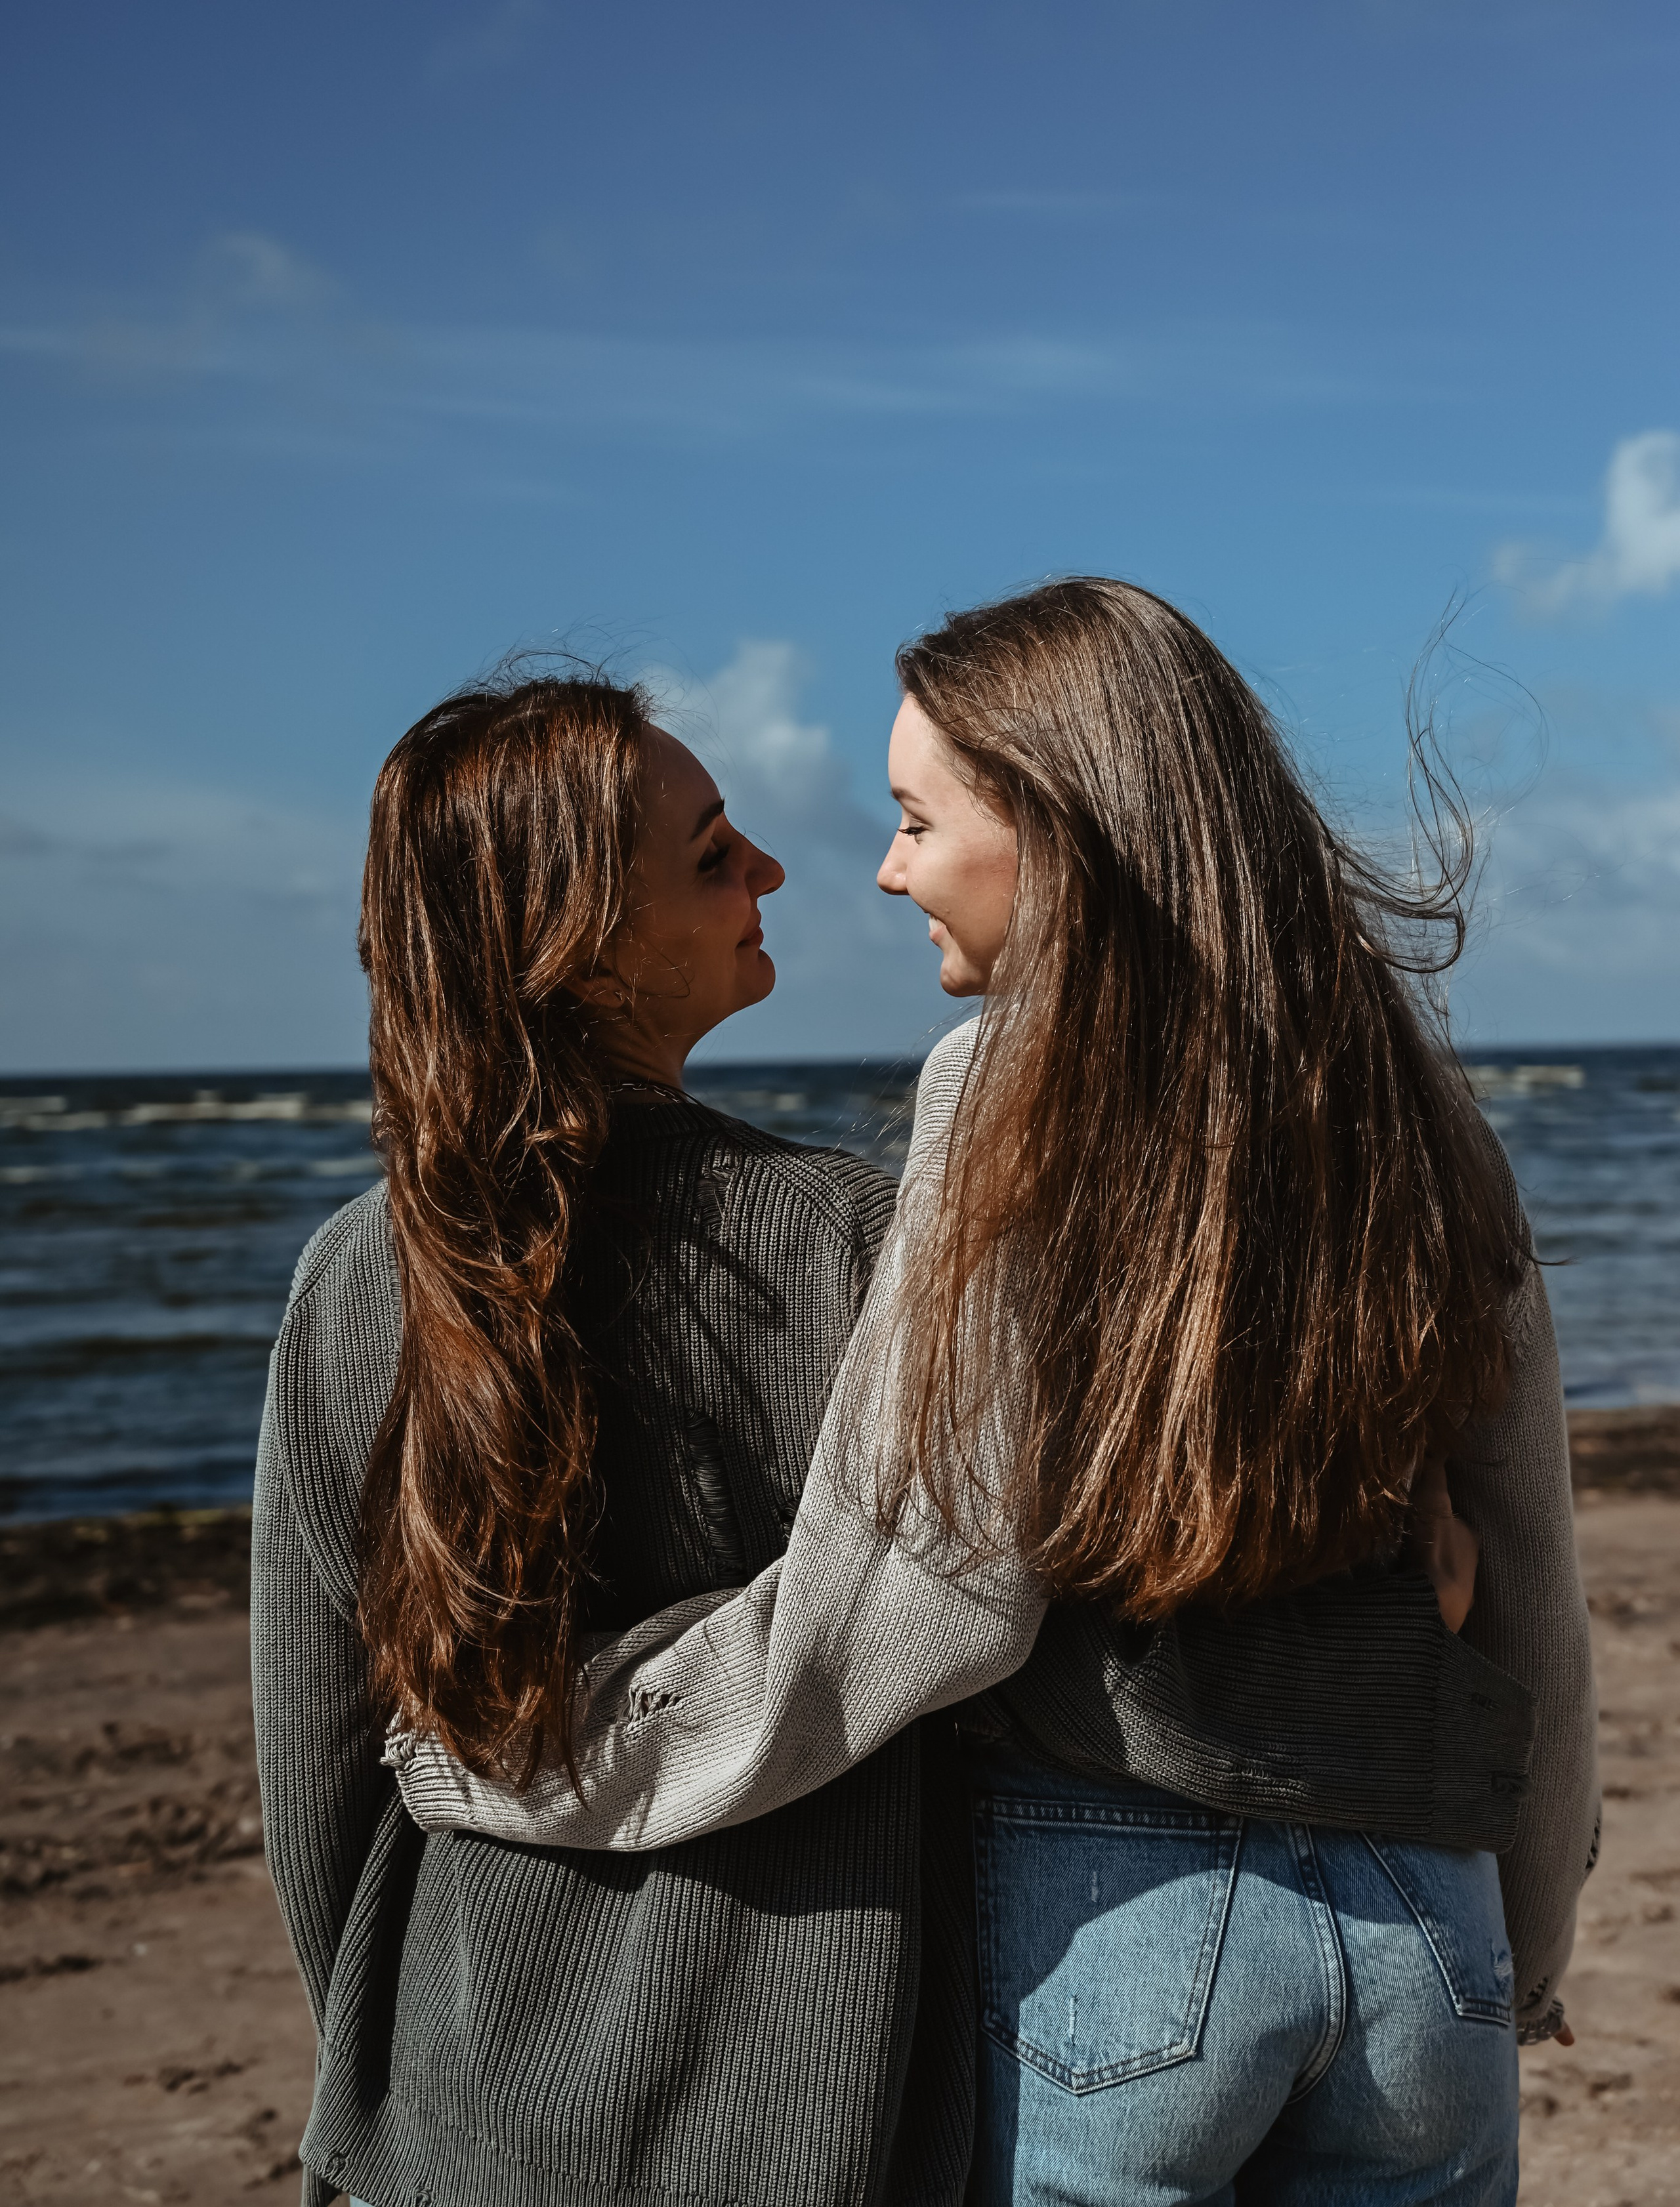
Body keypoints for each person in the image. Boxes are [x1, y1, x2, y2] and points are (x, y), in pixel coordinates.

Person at [390, 583, 1598, 2207]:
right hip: (1426, 1908)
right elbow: (1531, 1561)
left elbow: (924, 1592)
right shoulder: (1405, 1082)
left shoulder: (1012, 1077)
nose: (883, 869)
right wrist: (1522, 1934)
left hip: (1133, 1904)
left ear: (1055, 827)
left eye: (911, 821)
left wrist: (548, 1757)